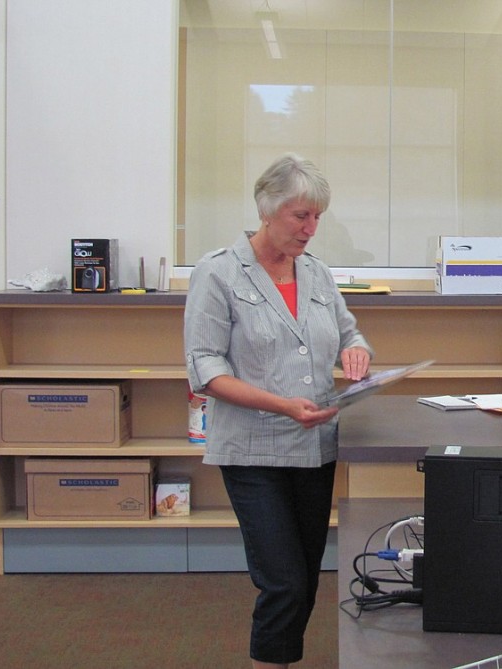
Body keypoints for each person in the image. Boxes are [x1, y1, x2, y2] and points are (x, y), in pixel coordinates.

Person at [184, 153, 373, 668]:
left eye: (317, 217)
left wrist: (356, 352)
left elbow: (350, 333)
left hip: (314, 448)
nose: (311, 229)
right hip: (252, 450)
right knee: (283, 584)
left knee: (304, 581)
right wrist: (282, 406)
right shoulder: (218, 273)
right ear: (267, 210)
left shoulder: (316, 273)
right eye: (301, 216)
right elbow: (206, 370)